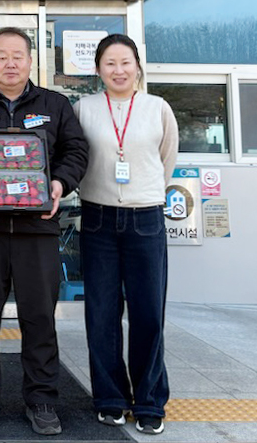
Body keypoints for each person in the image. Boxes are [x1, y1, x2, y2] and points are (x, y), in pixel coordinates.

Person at [0, 27, 89, 436]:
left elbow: (76, 151)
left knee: (39, 318)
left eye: (17, 56)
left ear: (30, 61)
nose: (10, 63)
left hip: (38, 229)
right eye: (1, 56)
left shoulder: (55, 105)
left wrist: (60, 183)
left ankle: (42, 399)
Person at [72, 33, 178, 435]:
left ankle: (150, 401)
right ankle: (110, 398)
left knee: (148, 313)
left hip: (146, 219)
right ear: (98, 69)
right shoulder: (83, 108)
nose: (118, 70)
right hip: (97, 218)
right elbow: (76, 156)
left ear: (137, 67)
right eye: (110, 63)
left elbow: (167, 158)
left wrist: (145, 193)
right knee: (101, 314)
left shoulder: (158, 108)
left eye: (125, 62)